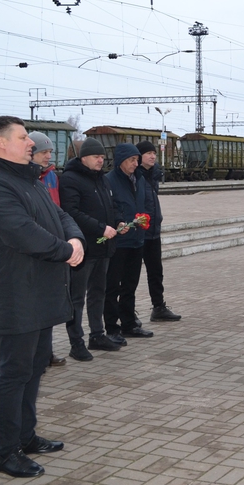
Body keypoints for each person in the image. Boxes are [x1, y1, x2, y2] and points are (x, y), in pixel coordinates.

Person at [0, 116, 84, 478]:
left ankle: (26, 435)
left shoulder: (28, 179)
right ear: (2, 143)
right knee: (14, 373)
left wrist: (76, 239)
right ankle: (6, 453)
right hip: (17, 293)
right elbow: (22, 233)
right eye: (22, 137)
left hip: (40, 290)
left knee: (35, 368)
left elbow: (59, 213)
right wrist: (64, 251)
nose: (30, 143)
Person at [59, 138, 126, 359]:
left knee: (98, 293)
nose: (101, 160)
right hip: (83, 248)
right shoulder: (70, 179)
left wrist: (118, 222)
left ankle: (97, 335)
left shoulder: (101, 179)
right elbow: (71, 212)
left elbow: (112, 205)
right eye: (97, 157)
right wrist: (100, 228)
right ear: (84, 157)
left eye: (102, 157)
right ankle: (75, 342)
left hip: (103, 248)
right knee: (76, 297)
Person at [104, 142, 154, 342]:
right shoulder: (109, 180)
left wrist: (145, 220)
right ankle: (111, 327)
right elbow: (110, 207)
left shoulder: (139, 179)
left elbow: (144, 203)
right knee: (112, 286)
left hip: (137, 240)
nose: (136, 163)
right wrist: (119, 222)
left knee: (130, 286)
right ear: (121, 161)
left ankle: (129, 324)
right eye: (132, 160)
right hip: (119, 242)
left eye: (136, 160)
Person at [29, 131, 66, 367]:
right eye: (43, 152)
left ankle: (46, 352)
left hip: (54, 243)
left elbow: (58, 209)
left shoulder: (51, 176)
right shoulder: (30, 180)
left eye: (50, 152)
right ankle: (37, 355)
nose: (48, 156)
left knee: (48, 305)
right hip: (39, 247)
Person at [135, 141, 181, 322]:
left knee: (156, 271)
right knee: (131, 275)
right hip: (138, 232)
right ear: (139, 157)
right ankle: (127, 311)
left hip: (153, 231)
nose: (152, 156)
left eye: (154, 153)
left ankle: (159, 307)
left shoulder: (153, 176)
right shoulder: (134, 176)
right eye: (148, 153)